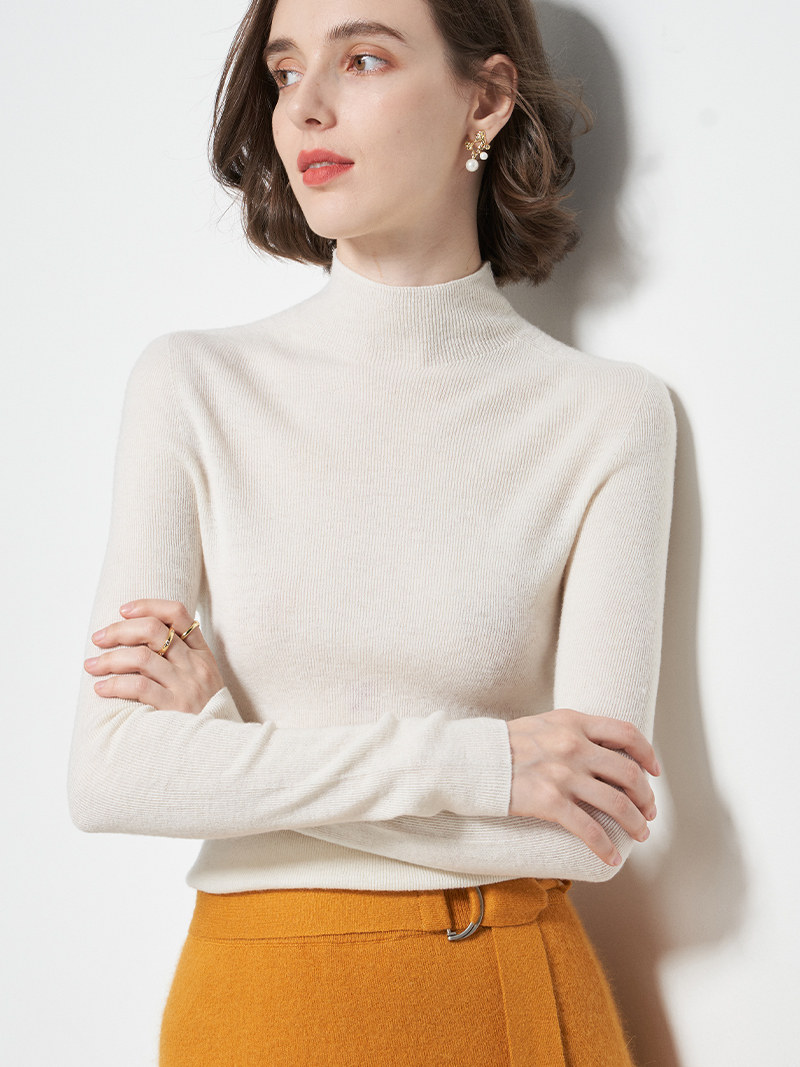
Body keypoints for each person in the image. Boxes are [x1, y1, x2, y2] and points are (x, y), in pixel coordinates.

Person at [67, 0, 677, 1063]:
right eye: (284, 69)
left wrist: (220, 744)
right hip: (254, 1008)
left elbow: (590, 829)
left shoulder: (606, 414)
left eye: (361, 60)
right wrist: (482, 763)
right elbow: (112, 775)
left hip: (509, 999)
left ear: (484, 99)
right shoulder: (193, 385)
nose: (304, 107)